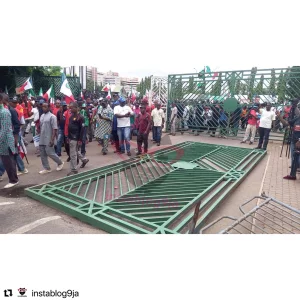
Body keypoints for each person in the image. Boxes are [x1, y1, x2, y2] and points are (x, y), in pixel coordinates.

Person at [276, 99, 300, 180]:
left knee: (298, 160)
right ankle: (292, 175)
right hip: (294, 141)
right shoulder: (297, 118)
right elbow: (286, 123)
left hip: (298, 142)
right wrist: (279, 116)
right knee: (294, 158)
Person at [5, 96, 29, 176]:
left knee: (9, 152)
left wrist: (16, 136)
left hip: (13, 134)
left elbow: (18, 124)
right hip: (11, 134)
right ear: (9, 102)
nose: (15, 104)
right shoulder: (7, 109)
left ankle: (1, 172)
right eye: (14, 102)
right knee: (14, 152)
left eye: (16, 102)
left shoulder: (12, 111)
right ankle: (22, 168)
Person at [38, 102, 64, 174]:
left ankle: (60, 162)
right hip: (42, 138)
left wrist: (52, 139)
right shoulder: (42, 116)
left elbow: (54, 129)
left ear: (49, 107)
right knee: (42, 153)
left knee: (50, 153)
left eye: (45, 107)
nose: (43, 108)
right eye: (43, 107)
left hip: (49, 137)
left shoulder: (52, 117)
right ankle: (47, 168)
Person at [0, 93, 19, 188]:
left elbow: (4, 129)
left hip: (6, 141)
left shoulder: (4, 112)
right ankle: (13, 178)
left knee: (9, 161)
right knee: (6, 161)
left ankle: (13, 180)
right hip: (2, 141)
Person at [67, 102, 89, 176]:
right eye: (70, 107)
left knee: (72, 154)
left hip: (76, 137)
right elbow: (69, 127)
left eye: (72, 107)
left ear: (77, 108)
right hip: (71, 137)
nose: (71, 109)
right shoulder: (71, 117)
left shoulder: (81, 117)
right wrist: (68, 137)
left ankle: (74, 169)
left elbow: (82, 130)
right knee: (75, 151)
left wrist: (80, 139)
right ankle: (84, 160)